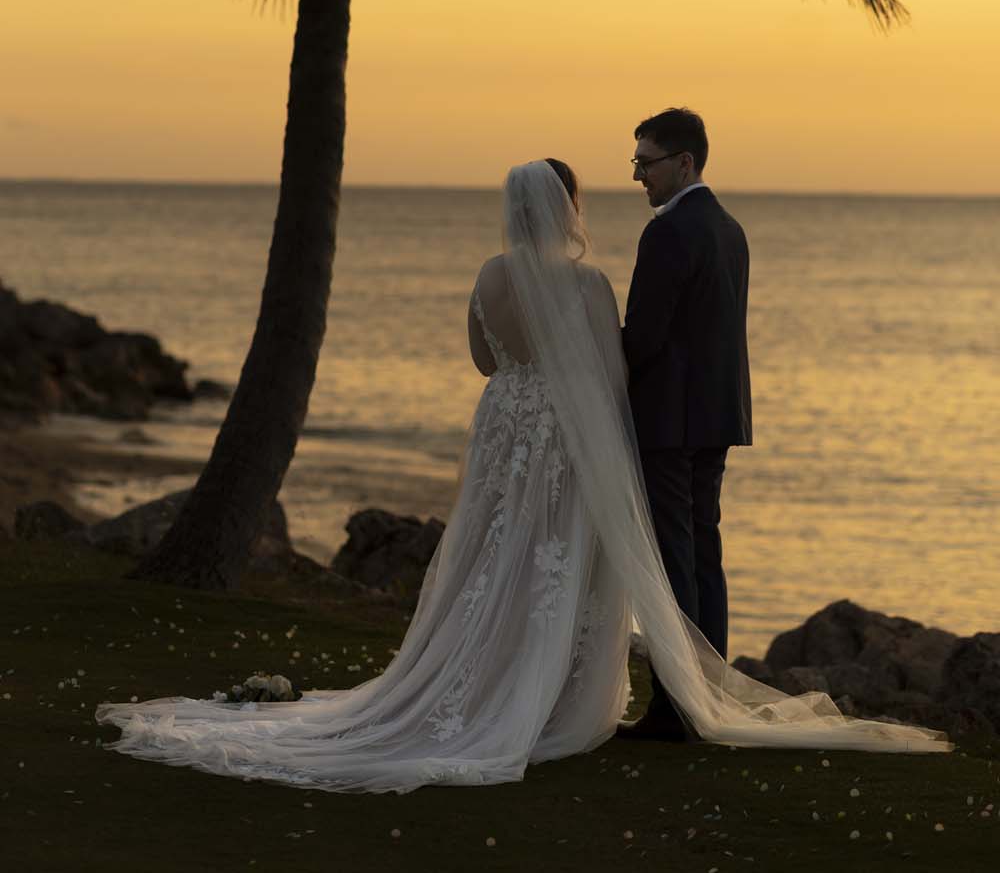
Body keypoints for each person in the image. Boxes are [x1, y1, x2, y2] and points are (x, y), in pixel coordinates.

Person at [95, 161, 948, 793]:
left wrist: (520, 383)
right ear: (566, 209)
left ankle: (483, 678)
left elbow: (481, 359)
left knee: (493, 555)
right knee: (558, 562)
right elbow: (611, 373)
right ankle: (554, 699)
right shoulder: (585, 282)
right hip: (567, 434)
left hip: (504, 423)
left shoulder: (488, 276)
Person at [619, 108, 749, 742]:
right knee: (703, 555)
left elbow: (643, 336)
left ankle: (675, 710)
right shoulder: (730, 229)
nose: (639, 175)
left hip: (669, 420)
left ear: (684, 163)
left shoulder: (668, 234)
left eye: (647, 162)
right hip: (716, 416)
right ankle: (708, 698)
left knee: (674, 561)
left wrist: (593, 352)